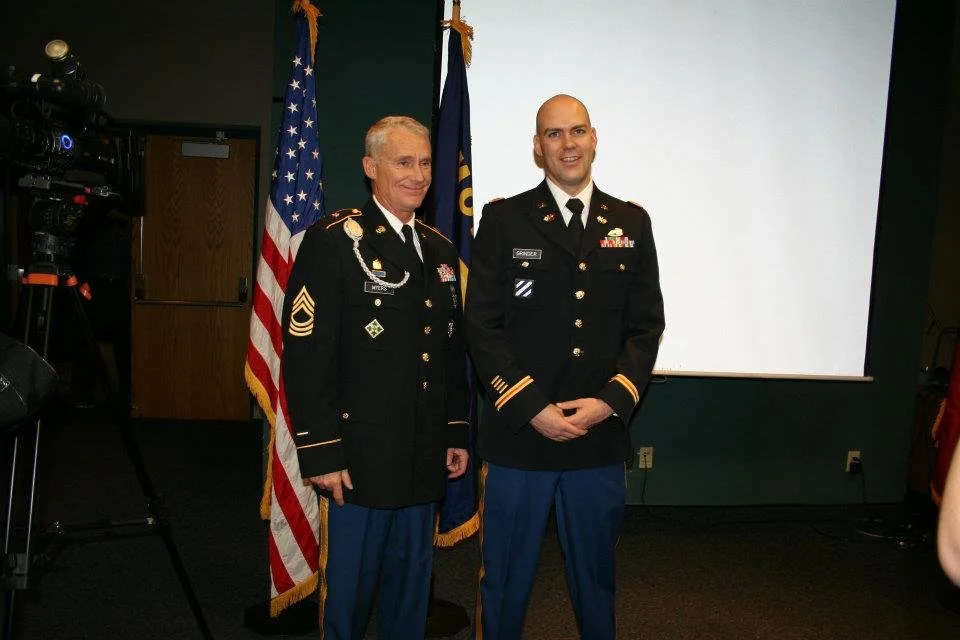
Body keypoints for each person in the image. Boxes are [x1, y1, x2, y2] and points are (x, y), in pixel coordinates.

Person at [464, 94, 665, 638]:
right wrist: (531, 408)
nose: (567, 144)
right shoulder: (505, 221)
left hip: (596, 439)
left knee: (596, 581)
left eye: (577, 131)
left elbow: (646, 327)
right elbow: (482, 324)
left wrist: (610, 402)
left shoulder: (631, 222)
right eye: (554, 134)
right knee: (504, 581)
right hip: (520, 438)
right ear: (537, 147)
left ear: (594, 137)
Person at [281, 115, 470, 639]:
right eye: (403, 162)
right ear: (370, 167)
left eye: (425, 162)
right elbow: (307, 352)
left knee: (411, 591)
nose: (418, 175)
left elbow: (449, 352)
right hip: (358, 460)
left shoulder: (439, 250)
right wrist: (320, 449)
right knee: (350, 592)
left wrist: (455, 430)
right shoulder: (335, 241)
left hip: (421, 454)